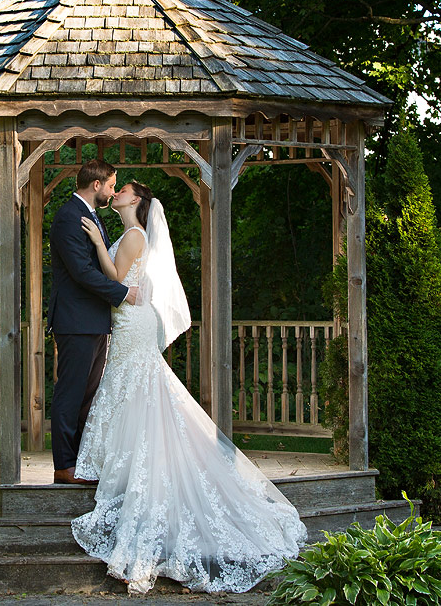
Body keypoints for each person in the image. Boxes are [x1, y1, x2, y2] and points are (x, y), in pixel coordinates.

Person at [71, 181, 307, 594]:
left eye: (123, 190)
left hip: (130, 323)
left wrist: (93, 245)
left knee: (133, 386)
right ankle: (131, 455)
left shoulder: (132, 235)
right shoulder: (130, 235)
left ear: (137, 201)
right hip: (128, 322)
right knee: (133, 388)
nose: (117, 193)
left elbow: (116, 279)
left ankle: (137, 459)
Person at [47, 159, 139, 485]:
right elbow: (82, 272)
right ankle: (64, 466)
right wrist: (123, 293)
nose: (113, 191)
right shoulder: (67, 218)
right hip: (75, 321)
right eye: (112, 185)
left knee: (88, 397)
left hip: (96, 321)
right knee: (69, 395)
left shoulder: (91, 216)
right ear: (97, 184)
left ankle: (81, 462)